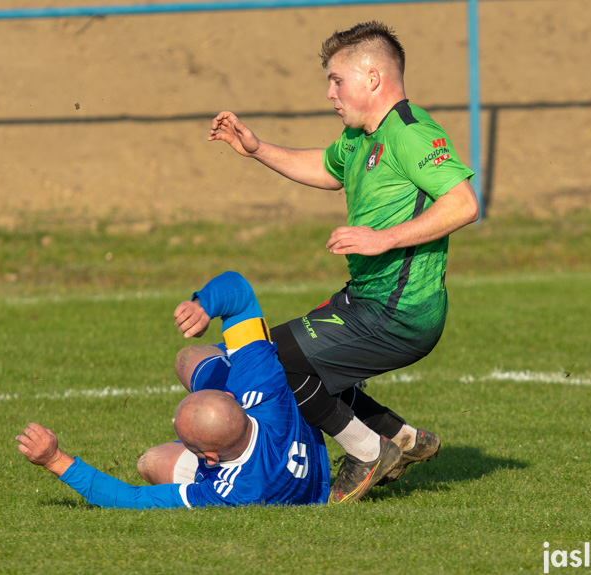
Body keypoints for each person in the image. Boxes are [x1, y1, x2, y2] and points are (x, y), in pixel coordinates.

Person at [195, 21, 480, 503]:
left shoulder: (411, 133)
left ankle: (368, 451)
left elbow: (464, 204)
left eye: (336, 80)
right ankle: (403, 438)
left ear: (373, 79)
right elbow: (327, 169)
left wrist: (383, 239)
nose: (330, 93)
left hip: (401, 313)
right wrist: (257, 148)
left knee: (277, 362)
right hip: (366, 300)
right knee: (292, 359)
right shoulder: (360, 136)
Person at [17, 271, 330, 509]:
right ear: (232, 398)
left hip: (287, 487)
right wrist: (203, 305)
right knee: (189, 359)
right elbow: (240, 292)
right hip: (315, 470)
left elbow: (130, 498)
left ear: (209, 457)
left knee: (151, 462)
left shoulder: (226, 493)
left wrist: (54, 459)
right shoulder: (261, 386)